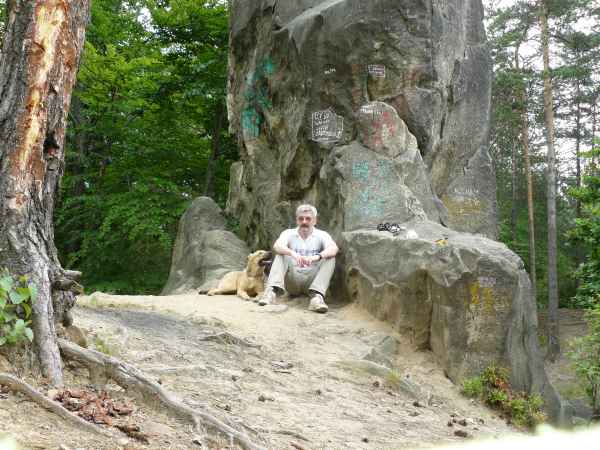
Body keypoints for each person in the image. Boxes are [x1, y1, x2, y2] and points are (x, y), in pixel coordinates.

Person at [259, 204, 339, 313]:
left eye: (308, 219)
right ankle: (271, 292)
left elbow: (334, 248)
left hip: (311, 280)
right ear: (297, 220)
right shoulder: (288, 233)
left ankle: (317, 298)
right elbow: (277, 246)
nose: (304, 222)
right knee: (281, 254)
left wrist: (316, 257)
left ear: (314, 221)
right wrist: (293, 254)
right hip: (292, 280)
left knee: (330, 258)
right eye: (301, 218)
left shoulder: (322, 235)